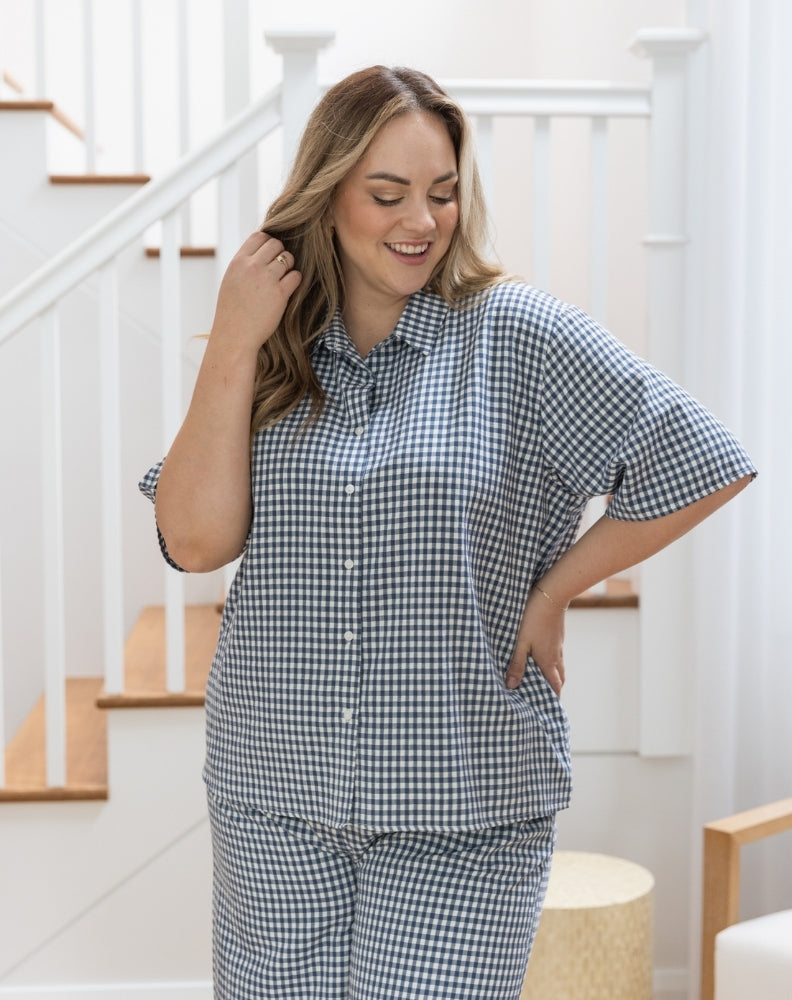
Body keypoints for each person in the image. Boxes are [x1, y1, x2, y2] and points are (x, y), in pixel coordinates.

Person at [140, 66, 755, 1000]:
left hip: (462, 800)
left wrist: (555, 588)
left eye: (441, 194)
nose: (420, 221)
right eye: (387, 195)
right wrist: (231, 339)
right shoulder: (272, 353)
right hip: (276, 795)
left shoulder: (520, 336)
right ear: (328, 196)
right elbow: (193, 542)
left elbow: (704, 458)